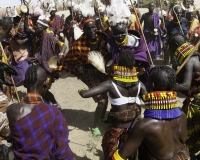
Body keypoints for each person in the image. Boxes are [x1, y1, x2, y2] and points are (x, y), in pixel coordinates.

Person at [79, 49, 147, 160]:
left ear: (119, 62)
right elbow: (149, 102)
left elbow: (85, 94)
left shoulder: (110, 84)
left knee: (109, 150)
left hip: (117, 127)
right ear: (133, 63)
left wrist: (81, 90)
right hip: (135, 127)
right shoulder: (139, 84)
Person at [112, 65, 190, 160]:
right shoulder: (182, 115)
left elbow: (120, 157)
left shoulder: (145, 125)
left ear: (152, 85)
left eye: (148, 81)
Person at [6, 65, 74, 159]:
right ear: (45, 83)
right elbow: (62, 151)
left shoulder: (11, 110)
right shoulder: (54, 113)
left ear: (25, 84)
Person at [63, 17, 109, 137]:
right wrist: (79, 67)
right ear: (84, 30)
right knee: (101, 100)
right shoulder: (79, 44)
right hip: (89, 74)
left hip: (102, 72)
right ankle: (95, 126)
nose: (92, 30)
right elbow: (69, 57)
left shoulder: (103, 38)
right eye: (88, 29)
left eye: (94, 27)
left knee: (106, 96)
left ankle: (102, 117)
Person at [168, 33, 200, 159]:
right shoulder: (195, 56)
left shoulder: (190, 60)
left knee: (188, 132)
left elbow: (186, 85)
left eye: (171, 48)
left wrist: (170, 86)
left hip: (196, 102)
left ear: (176, 45)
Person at [107, 1, 150, 84]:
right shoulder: (110, 43)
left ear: (126, 31)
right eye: (117, 34)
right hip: (117, 73)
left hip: (134, 71)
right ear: (113, 33)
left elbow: (141, 55)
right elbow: (110, 55)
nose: (120, 36)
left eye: (122, 33)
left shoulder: (134, 41)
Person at [36, 18, 67, 105]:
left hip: (50, 67)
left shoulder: (49, 36)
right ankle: (50, 104)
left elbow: (63, 45)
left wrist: (61, 54)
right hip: (42, 66)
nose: (36, 27)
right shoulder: (40, 38)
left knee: (44, 90)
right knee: (41, 90)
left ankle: (55, 104)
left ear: (43, 27)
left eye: (38, 26)